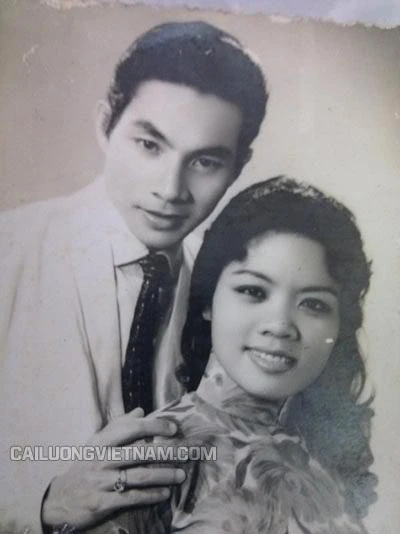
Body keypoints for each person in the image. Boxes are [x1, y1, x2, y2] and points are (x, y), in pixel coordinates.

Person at [0, 21, 268, 534]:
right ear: (105, 125)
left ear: (239, 166)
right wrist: (42, 505)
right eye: (149, 145)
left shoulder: (228, 289)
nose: (170, 189)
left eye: (205, 161)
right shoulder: (9, 254)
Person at [89, 177, 377, 534]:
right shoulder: (152, 456)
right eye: (253, 291)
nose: (280, 326)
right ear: (208, 299)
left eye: (314, 304)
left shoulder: (330, 458)